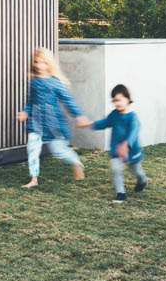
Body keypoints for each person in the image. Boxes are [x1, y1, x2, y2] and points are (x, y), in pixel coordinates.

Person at [16, 47, 88, 188]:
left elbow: (68, 100)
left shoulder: (56, 82)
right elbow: (30, 101)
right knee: (32, 149)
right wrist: (25, 112)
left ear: (49, 64)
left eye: (43, 62)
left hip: (53, 122)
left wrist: (79, 115)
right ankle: (34, 179)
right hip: (35, 122)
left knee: (58, 150)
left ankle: (76, 162)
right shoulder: (33, 81)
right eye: (36, 62)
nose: (39, 66)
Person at [86, 84, 147, 203]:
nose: (116, 103)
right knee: (116, 169)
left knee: (136, 171)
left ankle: (142, 181)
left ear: (128, 99)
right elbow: (105, 122)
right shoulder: (114, 114)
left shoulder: (132, 117)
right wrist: (91, 124)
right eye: (114, 101)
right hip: (116, 150)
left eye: (119, 100)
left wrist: (126, 144)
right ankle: (121, 193)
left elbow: (133, 132)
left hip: (131, 150)